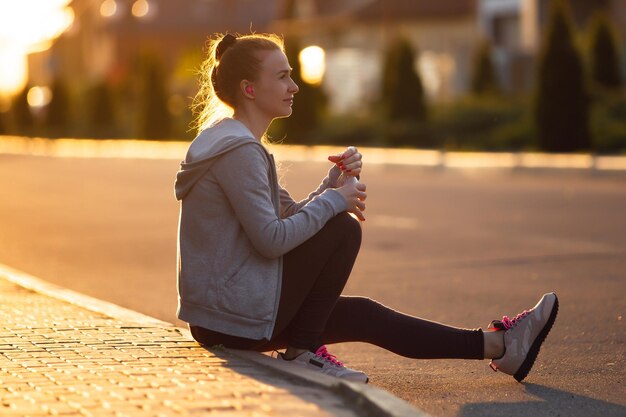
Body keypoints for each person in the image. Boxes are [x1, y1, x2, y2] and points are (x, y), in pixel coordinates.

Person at [174, 33, 559, 383]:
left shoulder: (237, 145)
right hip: (232, 318)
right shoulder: (239, 152)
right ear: (249, 89)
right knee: (343, 229)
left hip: (227, 314)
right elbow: (272, 240)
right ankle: (303, 354)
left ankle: (501, 346)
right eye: (282, 77)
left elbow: (288, 219)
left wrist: (332, 184)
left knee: (364, 315)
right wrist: (333, 203)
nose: (294, 86)